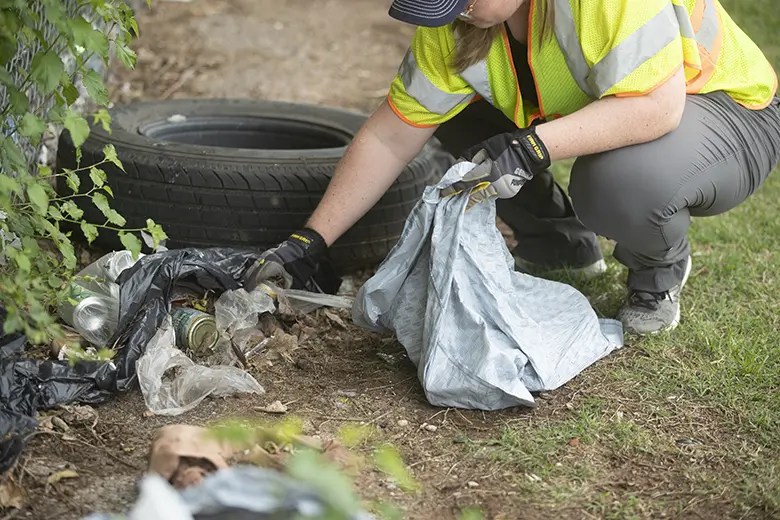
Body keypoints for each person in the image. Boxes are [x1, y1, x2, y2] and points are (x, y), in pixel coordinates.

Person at [244, 0, 780, 335]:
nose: (455, 13)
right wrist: (310, 240)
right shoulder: (461, 19)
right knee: (448, 112)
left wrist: (532, 147)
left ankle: (658, 272)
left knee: (617, 185)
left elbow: (657, 107)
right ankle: (561, 246)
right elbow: (390, 135)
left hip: (727, 110)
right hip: (638, 109)